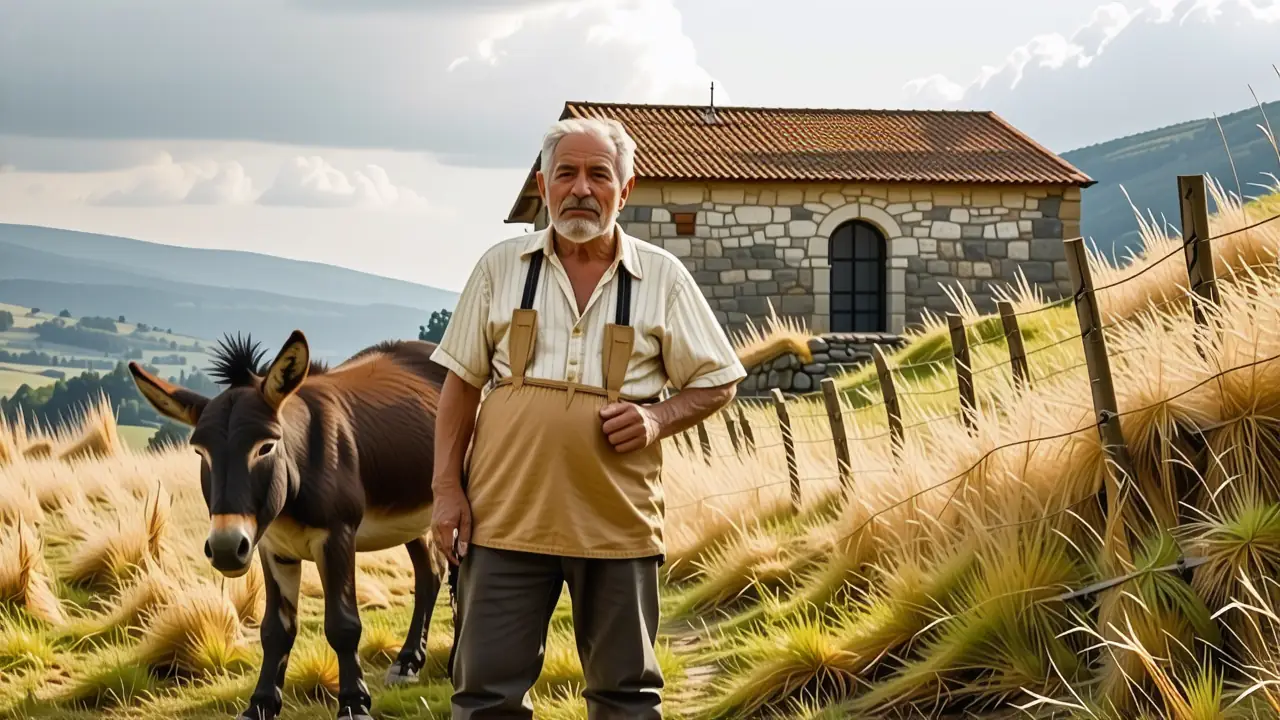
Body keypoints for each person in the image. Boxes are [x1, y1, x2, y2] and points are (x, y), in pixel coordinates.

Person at [428, 116, 747, 718]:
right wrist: (447, 490)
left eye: (599, 174)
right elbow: (461, 384)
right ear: (543, 186)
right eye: (566, 173)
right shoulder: (500, 267)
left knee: (626, 696)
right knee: (485, 696)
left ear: (623, 192)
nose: (581, 188)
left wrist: (657, 419)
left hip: (616, 524)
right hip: (502, 518)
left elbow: (718, 380)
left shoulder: (663, 277)